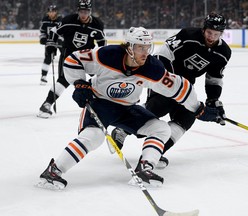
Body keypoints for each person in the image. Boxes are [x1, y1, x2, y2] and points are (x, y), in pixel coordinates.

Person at [36, 26, 220, 190]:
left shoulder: (152, 67)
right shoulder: (107, 55)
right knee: (95, 136)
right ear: (129, 47)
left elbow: (179, 86)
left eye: (148, 47)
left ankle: (145, 168)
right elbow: (73, 60)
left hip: (127, 109)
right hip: (100, 105)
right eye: (141, 47)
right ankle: (54, 171)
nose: (145, 52)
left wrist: (197, 108)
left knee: (161, 128)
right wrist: (79, 83)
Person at [111, 12, 232, 169]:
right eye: (209, 32)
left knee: (187, 117)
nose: (211, 37)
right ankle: (123, 129)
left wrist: (213, 100)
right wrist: (168, 81)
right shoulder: (188, 35)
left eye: (216, 34)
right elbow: (163, 54)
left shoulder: (223, 53)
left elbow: (214, 78)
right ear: (203, 29)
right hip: (164, 80)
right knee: (158, 107)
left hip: (186, 88)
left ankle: (156, 152)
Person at [37, 0, 106, 118]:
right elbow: (54, 32)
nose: (83, 14)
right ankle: (47, 104)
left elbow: (101, 41)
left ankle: (106, 104)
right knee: (63, 80)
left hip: (88, 57)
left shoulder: (97, 24)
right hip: (69, 56)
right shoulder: (68, 21)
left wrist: (103, 56)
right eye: (81, 11)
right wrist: (50, 45)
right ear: (78, 11)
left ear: (90, 12)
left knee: (100, 77)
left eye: (86, 11)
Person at [39, 5, 62, 85]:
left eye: (53, 11)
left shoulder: (61, 20)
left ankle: (65, 76)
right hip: (49, 42)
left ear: (56, 12)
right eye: (50, 12)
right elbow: (42, 31)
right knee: (48, 58)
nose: (51, 13)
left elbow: (64, 31)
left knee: (65, 57)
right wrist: (43, 38)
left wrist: (61, 39)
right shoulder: (45, 20)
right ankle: (43, 76)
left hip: (60, 42)